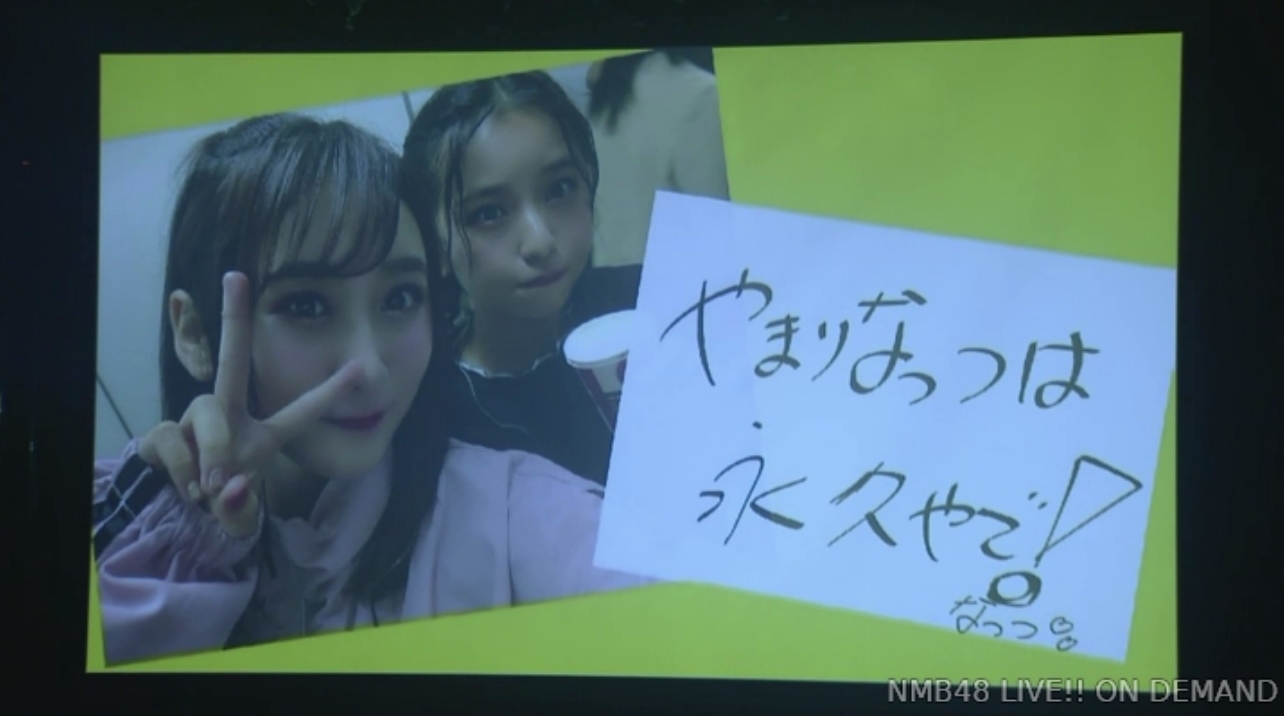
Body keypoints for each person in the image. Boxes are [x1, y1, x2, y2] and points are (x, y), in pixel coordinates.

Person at [91, 114, 649, 667]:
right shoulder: (128, 529)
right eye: (307, 305)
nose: (370, 367)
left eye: (400, 298)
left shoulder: (511, 513)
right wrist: (187, 540)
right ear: (194, 332)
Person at [402, 72, 640, 487]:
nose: (540, 241)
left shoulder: (649, 300)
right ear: (435, 245)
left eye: (559, 189)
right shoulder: (433, 412)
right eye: (489, 213)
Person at [585, 48, 729, 268]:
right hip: (680, 281)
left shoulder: (604, 107)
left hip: (613, 280)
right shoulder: (700, 95)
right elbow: (717, 236)